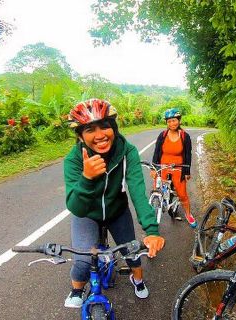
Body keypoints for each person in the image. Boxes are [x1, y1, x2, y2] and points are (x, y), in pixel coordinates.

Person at [63, 98, 165, 308]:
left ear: (114, 127)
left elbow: (137, 191)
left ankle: (137, 280)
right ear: (80, 136)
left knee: (132, 253)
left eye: (105, 126)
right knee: (83, 261)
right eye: (90, 129)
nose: (100, 135)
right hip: (87, 214)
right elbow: (76, 207)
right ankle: (76, 289)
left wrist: (152, 229)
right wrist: (87, 178)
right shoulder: (73, 160)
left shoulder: (127, 151)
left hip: (117, 211)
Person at [151, 108, 197, 228]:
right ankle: (158, 209)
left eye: (174, 120)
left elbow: (188, 154)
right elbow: (157, 152)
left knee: (182, 194)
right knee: (158, 190)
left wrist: (186, 171)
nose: (172, 123)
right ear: (167, 122)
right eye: (169, 121)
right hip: (163, 166)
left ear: (179, 121)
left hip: (179, 167)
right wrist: (154, 168)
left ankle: (188, 214)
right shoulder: (163, 135)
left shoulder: (184, 136)